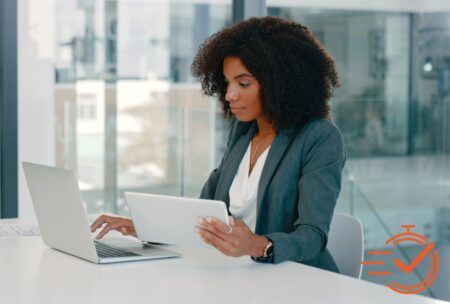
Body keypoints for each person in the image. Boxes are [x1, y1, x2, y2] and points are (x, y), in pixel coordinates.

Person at [91, 16, 345, 272]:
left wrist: (258, 245)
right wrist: (145, 226)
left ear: (281, 83)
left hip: (299, 279)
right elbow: (203, 212)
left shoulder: (318, 137)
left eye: (243, 83)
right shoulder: (243, 132)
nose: (229, 95)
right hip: (242, 275)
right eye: (227, 83)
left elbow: (313, 237)